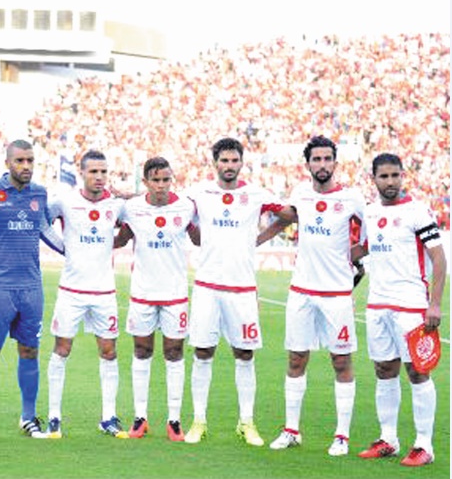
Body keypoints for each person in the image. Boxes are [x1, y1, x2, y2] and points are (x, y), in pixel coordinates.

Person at [266, 136, 365, 456]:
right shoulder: (300, 194)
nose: (322, 164)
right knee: (296, 358)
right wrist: (252, 240)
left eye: (327, 159)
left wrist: (354, 257)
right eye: (316, 159)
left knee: (341, 361)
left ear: (335, 163)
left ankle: (342, 436)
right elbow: (284, 219)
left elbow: (372, 235)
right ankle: (291, 430)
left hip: (337, 294)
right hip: (302, 292)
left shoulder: (352, 198)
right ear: (308, 164)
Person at [183, 137, 282, 446]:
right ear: (215, 163)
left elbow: (289, 214)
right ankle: (199, 421)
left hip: (242, 289)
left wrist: (260, 239)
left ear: (241, 163)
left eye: (234, 161)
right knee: (202, 352)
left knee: (245, 353)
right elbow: (178, 213)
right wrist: (196, 234)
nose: (229, 166)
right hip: (207, 287)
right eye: (223, 161)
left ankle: (247, 422)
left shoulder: (256, 194)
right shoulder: (199, 193)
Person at [0, 139, 64, 443]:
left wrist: (72, 252)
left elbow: (45, 230)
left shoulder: (39, 193)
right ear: (7, 163)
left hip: (31, 287)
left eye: (30, 161)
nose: (26, 167)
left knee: (30, 350)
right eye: (20, 161)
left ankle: (28, 417)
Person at [357, 153, 446, 467]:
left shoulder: (417, 211)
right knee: (384, 371)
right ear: (374, 179)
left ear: (403, 175)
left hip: (411, 305)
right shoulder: (369, 213)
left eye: (395, 175)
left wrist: (434, 304)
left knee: (418, 371)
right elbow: (366, 248)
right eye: (384, 177)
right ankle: (388, 440)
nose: (390, 182)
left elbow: (439, 259)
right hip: (378, 304)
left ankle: (424, 445)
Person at [114, 157, 199, 441]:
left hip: (175, 294)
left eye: (166, 180)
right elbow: (122, 237)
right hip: (143, 293)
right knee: (141, 351)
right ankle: (140, 418)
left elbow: (199, 238)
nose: (162, 186)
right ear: (146, 182)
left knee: (174, 353)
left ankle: (174, 420)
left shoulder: (186, 206)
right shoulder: (132, 208)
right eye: (156, 180)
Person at [44, 150, 126, 439]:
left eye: (104, 172)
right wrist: (60, 246)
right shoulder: (65, 201)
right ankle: (54, 416)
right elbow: (42, 220)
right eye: (94, 172)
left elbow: (133, 224)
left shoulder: (116, 206)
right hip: (71, 291)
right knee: (62, 349)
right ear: (82, 173)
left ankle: (108, 417)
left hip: (104, 292)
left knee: (109, 351)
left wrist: (117, 241)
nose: (100, 177)